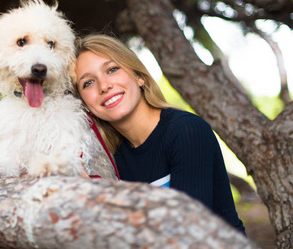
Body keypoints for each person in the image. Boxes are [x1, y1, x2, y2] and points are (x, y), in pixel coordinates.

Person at [75, 34, 246, 235]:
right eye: (88, 83)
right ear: (84, 103)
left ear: (139, 76)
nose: (104, 86)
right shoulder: (110, 160)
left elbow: (186, 233)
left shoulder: (186, 130)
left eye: (112, 70)